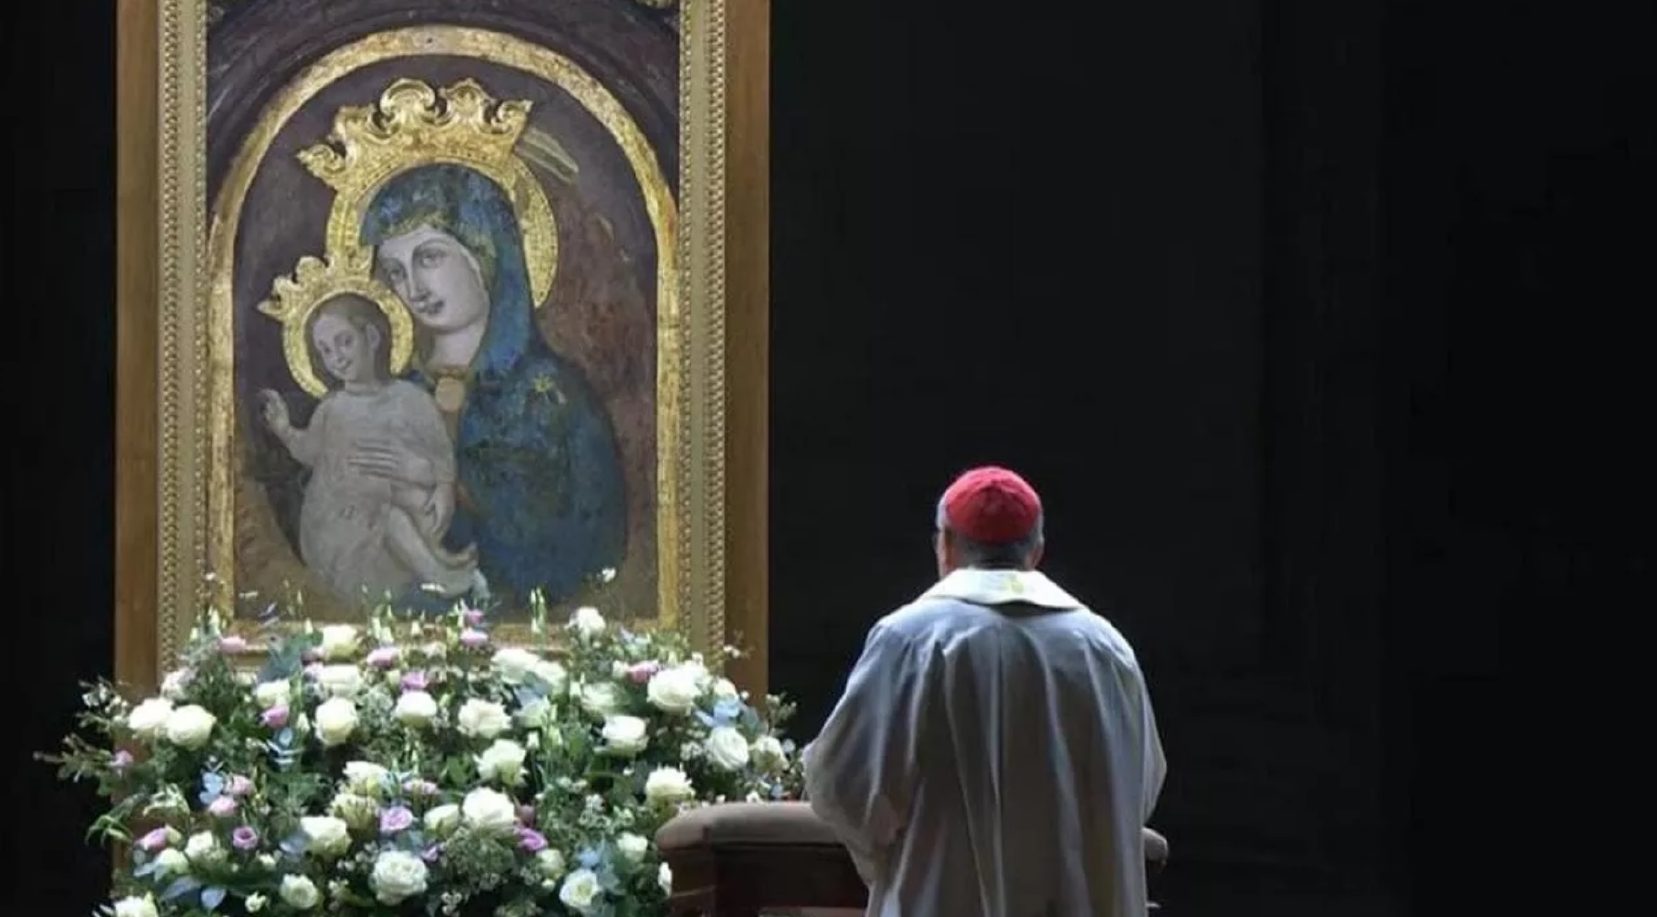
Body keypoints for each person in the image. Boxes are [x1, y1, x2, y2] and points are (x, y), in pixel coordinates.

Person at [803, 466, 1166, 917]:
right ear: (1036, 551)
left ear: (945, 545)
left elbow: (846, 788)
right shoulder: (1106, 650)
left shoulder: (912, 641)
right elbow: (1138, 789)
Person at [360, 164, 628, 607]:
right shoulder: (393, 393)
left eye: (429, 258)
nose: (413, 288)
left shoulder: (552, 396)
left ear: (485, 253)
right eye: (395, 270)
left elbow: (595, 539)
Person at [259, 294, 483, 602]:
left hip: (397, 516)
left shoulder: (411, 399)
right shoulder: (333, 409)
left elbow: (440, 453)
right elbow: (310, 452)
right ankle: (439, 575)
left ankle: (437, 557)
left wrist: (443, 486)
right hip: (341, 529)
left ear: (373, 337)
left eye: (345, 342)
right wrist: (284, 429)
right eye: (325, 351)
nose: (337, 357)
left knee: (414, 500)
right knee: (390, 515)